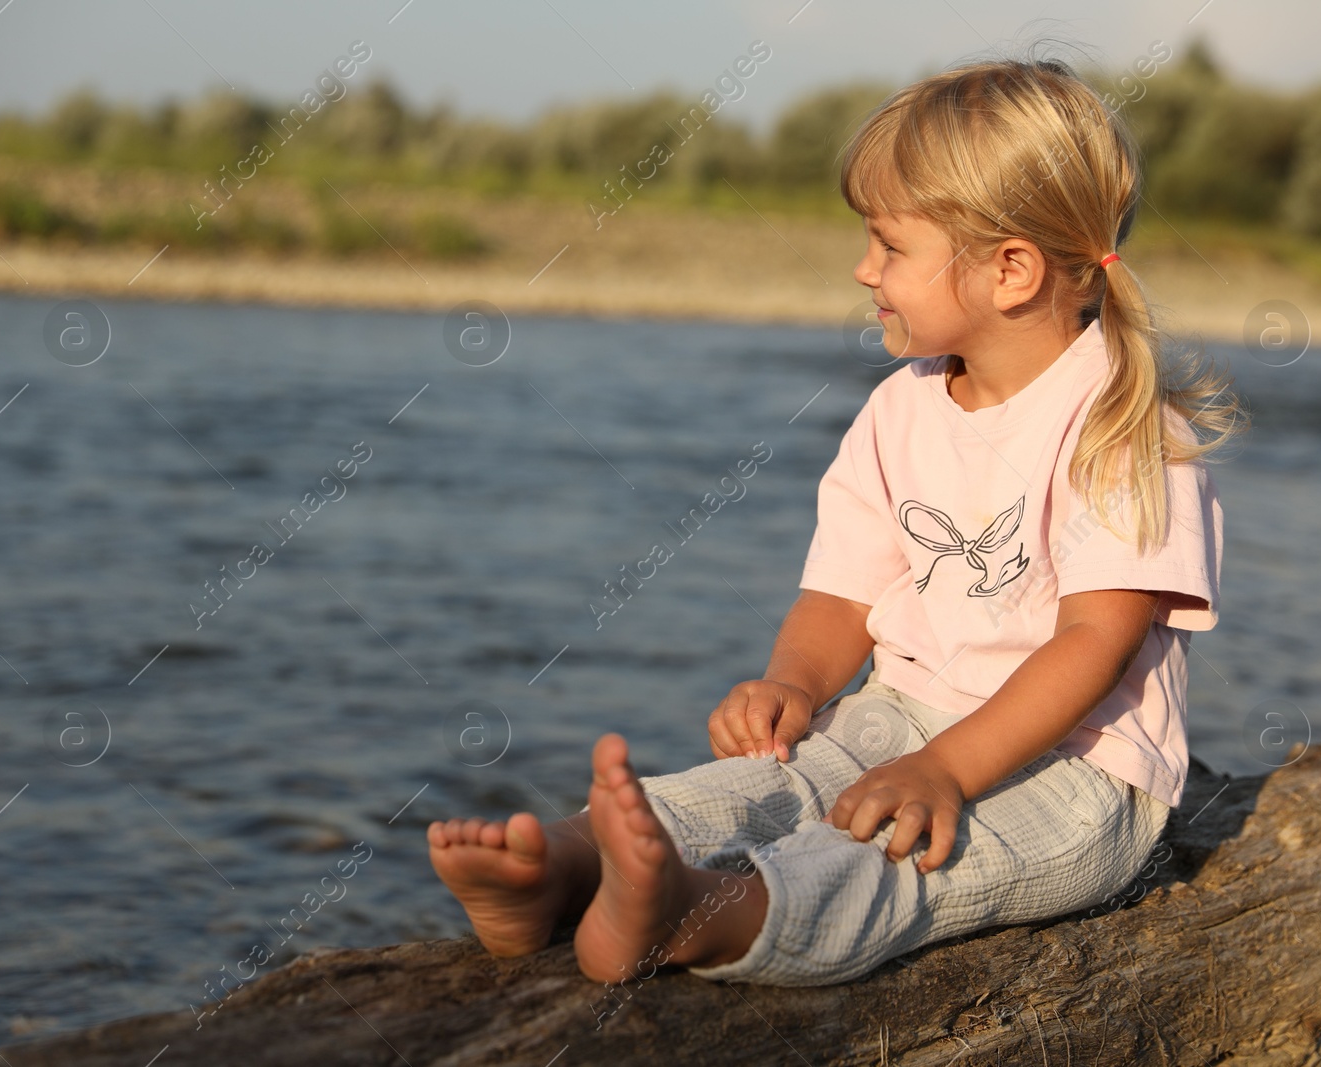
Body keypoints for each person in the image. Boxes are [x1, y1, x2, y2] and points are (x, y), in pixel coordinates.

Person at [426, 55, 1244, 988]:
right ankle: (562, 866)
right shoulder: (900, 409)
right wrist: (795, 683)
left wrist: (944, 769)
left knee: (903, 861)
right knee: (760, 783)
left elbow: (1095, 641)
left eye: (890, 245)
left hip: (1080, 772)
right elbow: (841, 590)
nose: (864, 270)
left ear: (1011, 269)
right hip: (897, 717)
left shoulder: (1124, 427)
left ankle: (707, 918)